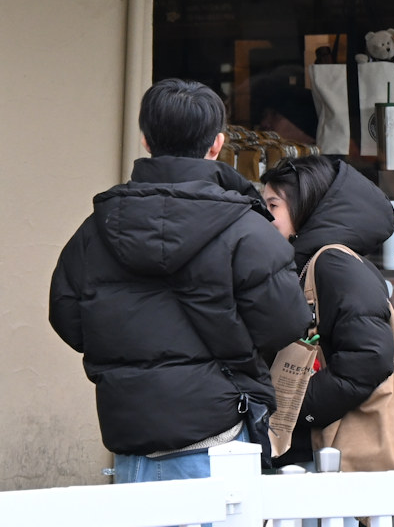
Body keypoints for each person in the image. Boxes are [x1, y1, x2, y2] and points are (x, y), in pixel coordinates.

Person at [49, 79, 309, 485]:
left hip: (130, 437)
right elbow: (287, 322)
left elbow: (67, 316)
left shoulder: (94, 231)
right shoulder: (248, 231)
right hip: (218, 434)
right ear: (217, 145)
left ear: (146, 140)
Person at [256, 154, 394, 467]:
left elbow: (369, 358)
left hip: (323, 453)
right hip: (309, 451)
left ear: (305, 206)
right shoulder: (303, 261)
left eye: (273, 206)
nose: (264, 217)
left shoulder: (334, 263)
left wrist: (290, 408)